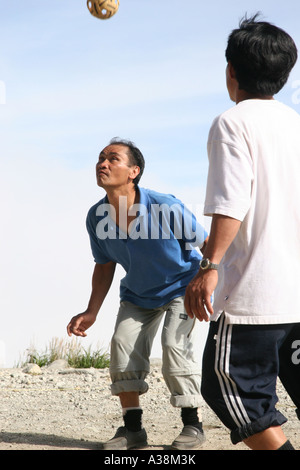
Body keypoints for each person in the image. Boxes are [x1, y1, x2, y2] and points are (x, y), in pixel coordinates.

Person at [184, 14, 300, 450]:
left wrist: (209, 267)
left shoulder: (233, 122)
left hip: (256, 297)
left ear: (231, 72)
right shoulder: (295, 123)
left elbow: (230, 203)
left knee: (232, 391)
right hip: (297, 292)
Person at [67, 137, 208, 450]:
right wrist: (91, 311)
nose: (103, 164)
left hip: (182, 286)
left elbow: (207, 244)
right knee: (122, 345)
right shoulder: (96, 216)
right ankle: (133, 430)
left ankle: (193, 425)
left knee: (174, 344)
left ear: (134, 171)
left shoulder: (165, 205)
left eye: (113, 159)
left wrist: (207, 280)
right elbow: (104, 266)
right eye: (100, 158)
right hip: (138, 294)